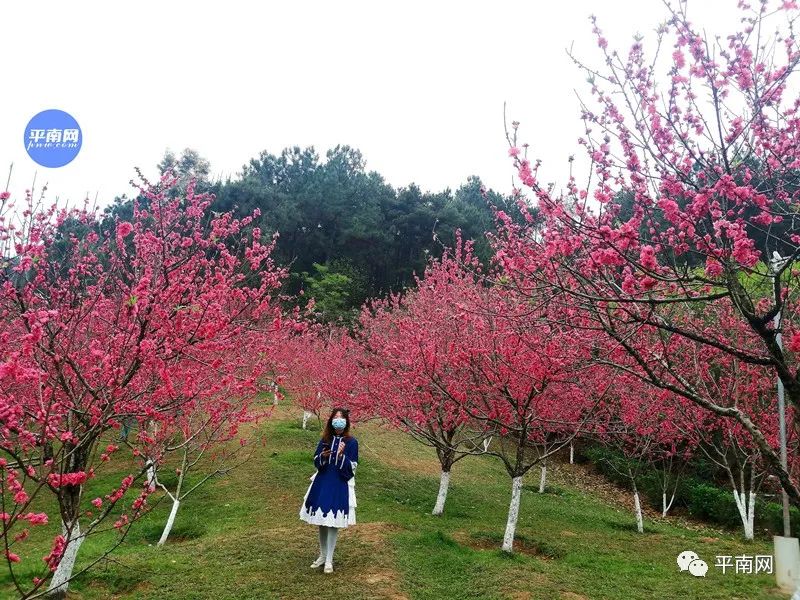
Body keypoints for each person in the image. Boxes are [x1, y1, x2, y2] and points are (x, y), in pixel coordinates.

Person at [299, 407, 358, 574]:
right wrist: (323, 456)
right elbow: (316, 460)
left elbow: (351, 469)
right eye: (335, 418)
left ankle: (330, 559)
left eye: (341, 418)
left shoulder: (352, 442)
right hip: (323, 481)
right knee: (321, 521)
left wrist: (340, 456)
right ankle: (323, 555)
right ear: (331, 420)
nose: (338, 421)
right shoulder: (325, 439)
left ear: (346, 421)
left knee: (333, 522)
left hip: (339, 484)